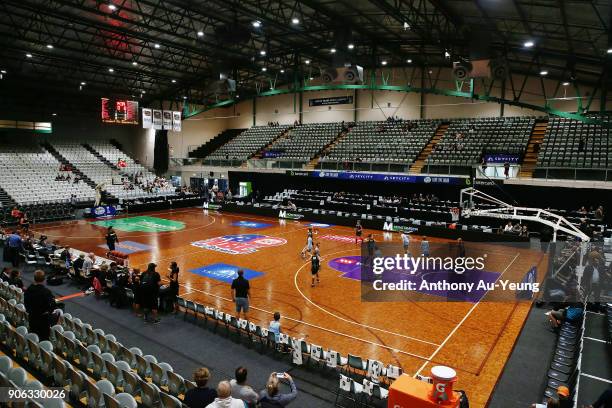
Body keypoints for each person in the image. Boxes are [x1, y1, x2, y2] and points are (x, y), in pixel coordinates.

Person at [24, 270, 57, 341]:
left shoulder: (28, 290)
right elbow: (53, 305)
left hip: (32, 317)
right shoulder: (46, 292)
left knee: (33, 338)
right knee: (44, 338)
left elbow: (26, 303)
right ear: (44, 279)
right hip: (43, 319)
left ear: (34, 278)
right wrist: (49, 311)